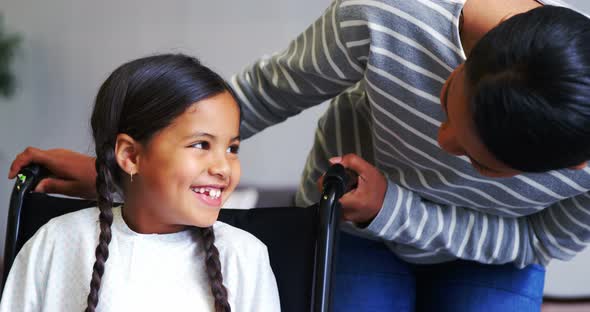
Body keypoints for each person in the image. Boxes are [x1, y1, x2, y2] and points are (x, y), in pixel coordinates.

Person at [8, 0, 590, 311]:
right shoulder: (388, 16)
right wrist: (126, 174)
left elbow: (539, 242)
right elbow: (260, 96)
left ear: (572, 168)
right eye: (443, 101)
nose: (441, 142)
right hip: (357, 232)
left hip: (492, 255)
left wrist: (397, 209)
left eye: (476, 161)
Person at [1, 54, 280, 312]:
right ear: (130, 155)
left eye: (232, 149)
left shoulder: (244, 256)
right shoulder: (57, 243)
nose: (223, 167)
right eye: (201, 144)